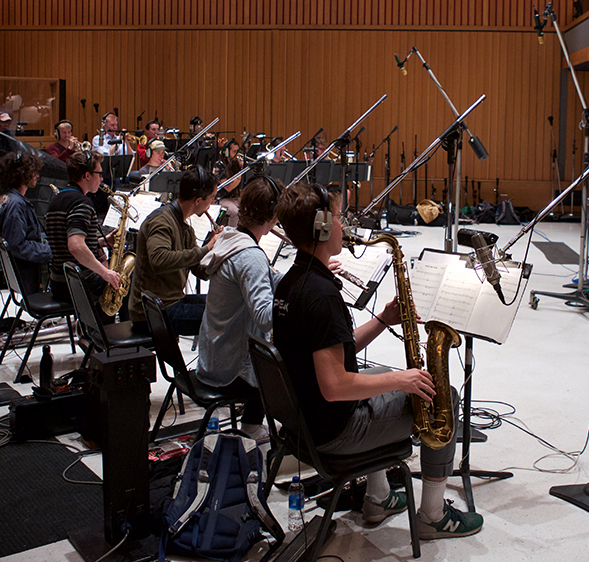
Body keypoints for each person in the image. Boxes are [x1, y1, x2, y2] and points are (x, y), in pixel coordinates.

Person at [271, 183, 483, 539]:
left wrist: (384, 319)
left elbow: (332, 352)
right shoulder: (321, 296)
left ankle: (378, 496)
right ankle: (433, 515)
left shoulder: (292, 283)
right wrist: (402, 380)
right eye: (338, 217)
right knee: (441, 396)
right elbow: (336, 385)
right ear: (322, 227)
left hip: (302, 423)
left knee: (381, 374)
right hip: (334, 432)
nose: (344, 225)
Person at [196, 175, 285, 442]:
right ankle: (253, 426)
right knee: (288, 358)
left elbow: (267, 277)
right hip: (229, 369)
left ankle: (252, 421)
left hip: (212, 356)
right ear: (271, 218)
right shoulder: (251, 256)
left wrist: (301, 278)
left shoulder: (230, 237)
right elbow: (266, 317)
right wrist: (298, 307)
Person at [128, 165, 220, 335]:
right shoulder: (162, 221)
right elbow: (159, 260)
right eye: (212, 198)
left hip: (169, 302)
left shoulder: (184, 226)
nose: (212, 203)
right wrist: (207, 248)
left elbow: (199, 270)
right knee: (226, 316)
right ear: (198, 200)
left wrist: (218, 253)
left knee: (225, 304)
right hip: (151, 312)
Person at [45, 151, 121, 304]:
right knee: (125, 286)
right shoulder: (81, 203)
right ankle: (110, 328)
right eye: (99, 174)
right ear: (87, 175)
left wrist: (101, 241)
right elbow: (75, 247)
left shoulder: (57, 199)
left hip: (58, 281)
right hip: (79, 283)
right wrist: (106, 273)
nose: (101, 179)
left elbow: (65, 243)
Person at [0, 151, 51, 295]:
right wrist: (51, 250)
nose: (37, 175)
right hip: (26, 273)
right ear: (23, 174)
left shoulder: (10, 199)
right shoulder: (15, 205)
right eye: (34, 172)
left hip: (24, 271)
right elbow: (18, 246)